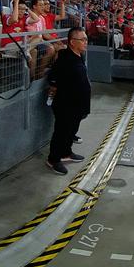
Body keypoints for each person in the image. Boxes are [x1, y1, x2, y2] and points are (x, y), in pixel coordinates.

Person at [45, 27, 90, 175]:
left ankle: (66, 153)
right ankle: (53, 159)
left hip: (77, 106)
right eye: (82, 40)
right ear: (72, 42)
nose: (85, 42)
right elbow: (53, 77)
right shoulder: (65, 58)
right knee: (61, 132)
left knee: (71, 131)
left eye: (86, 39)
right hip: (66, 105)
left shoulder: (79, 56)